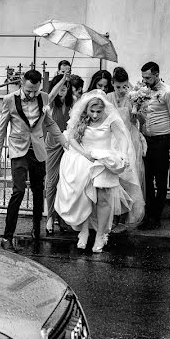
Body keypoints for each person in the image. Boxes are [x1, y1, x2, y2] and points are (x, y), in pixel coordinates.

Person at [0, 69, 68, 252]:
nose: (32, 94)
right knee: (18, 191)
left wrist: (65, 142)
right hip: (19, 150)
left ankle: (36, 229)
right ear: (22, 83)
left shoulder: (43, 97)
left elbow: (48, 122)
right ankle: (7, 237)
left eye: (35, 90)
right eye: (29, 91)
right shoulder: (9, 99)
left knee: (37, 190)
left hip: (38, 150)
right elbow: (2, 129)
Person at [55, 90, 138, 252]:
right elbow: (71, 138)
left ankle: (100, 234)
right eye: (92, 111)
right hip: (84, 159)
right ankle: (84, 231)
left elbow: (122, 138)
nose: (95, 115)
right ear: (86, 110)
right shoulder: (81, 118)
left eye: (98, 112)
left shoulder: (111, 118)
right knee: (84, 198)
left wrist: (124, 155)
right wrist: (84, 153)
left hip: (104, 160)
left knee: (103, 199)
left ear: (104, 109)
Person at [137, 61, 170, 230]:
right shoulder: (142, 91)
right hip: (146, 140)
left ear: (157, 74)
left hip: (163, 140)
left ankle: (156, 216)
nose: (145, 80)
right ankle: (148, 215)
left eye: (148, 77)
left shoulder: (168, 93)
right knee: (146, 179)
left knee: (161, 180)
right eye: (143, 77)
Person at [106, 66, 146, 232]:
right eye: (118, 87)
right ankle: (112, 216)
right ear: (112, 84)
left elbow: (142, 121)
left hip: (129, 140)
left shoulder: (133, 98)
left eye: (124, 87)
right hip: (112, 140)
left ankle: (124, 217)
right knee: (113, 179)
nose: (122, 90)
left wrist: (137, 114)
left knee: (128, 178)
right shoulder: (108, 98)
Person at [43, 73, 76, 234]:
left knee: (65, 182)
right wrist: (63, 79)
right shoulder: (49, 103)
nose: (63, 89)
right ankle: (50, 217)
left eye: (66, 87)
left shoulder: (73, 102)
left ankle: (62, 217)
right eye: (60, 86)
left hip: (69, 145)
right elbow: (50, 96)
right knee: (52, 181)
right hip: (53, 144)